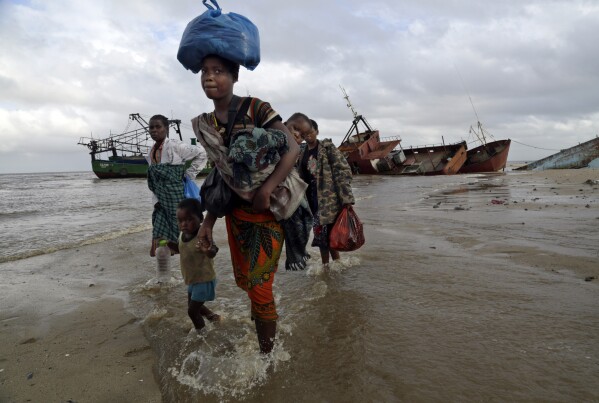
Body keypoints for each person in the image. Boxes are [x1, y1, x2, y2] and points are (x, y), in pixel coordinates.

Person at [191, 54, 300, 354]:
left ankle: (267, 360)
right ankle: (264, 335)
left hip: (269, 211)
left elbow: (291, 148)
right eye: (204, 72)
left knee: (260, 285)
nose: (209, 77)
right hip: (236, 216)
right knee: (249, 284)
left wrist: (267, 188)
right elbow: (221, 177)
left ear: (235, 76)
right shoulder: (207, 123)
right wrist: (207, 223)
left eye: (218, 71)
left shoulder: (256, 107)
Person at [296, 116, 355, 266]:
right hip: (312, 199)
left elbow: (343, 171)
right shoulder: (301, 152)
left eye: (311, 131)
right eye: (304, 133)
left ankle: (329, 268)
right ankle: (333, 267)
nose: (307, 135)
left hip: (328, 200)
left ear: (317, 131)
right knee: (324, 235)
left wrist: (347, 199)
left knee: (326, 234)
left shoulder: (327, 148)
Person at [146, 115, 207, 257]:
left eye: (158, 127)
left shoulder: (175, 146)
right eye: (151, 127)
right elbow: (154, 181)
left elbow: (202, 153)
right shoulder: (151, 151)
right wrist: (155, 201)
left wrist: (189, 174)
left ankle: (192, 259)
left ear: (166, 129)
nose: (154, 130)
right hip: (160, 200)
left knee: (181, 229)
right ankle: (165, 272)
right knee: (160, 233)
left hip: (175, 196)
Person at [171, 198, 220, 334]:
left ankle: (202, 334)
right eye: (180, 221)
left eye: (189, 220)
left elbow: (214, 250)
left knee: (192, 311)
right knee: (194, 307)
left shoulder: (202, 236)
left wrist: (208, 251)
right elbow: (182, 249)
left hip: (204, 280)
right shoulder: (182, 235)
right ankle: (213, 317)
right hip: (193, 279)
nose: (184, 224)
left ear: (200, 219)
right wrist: (169, 245)